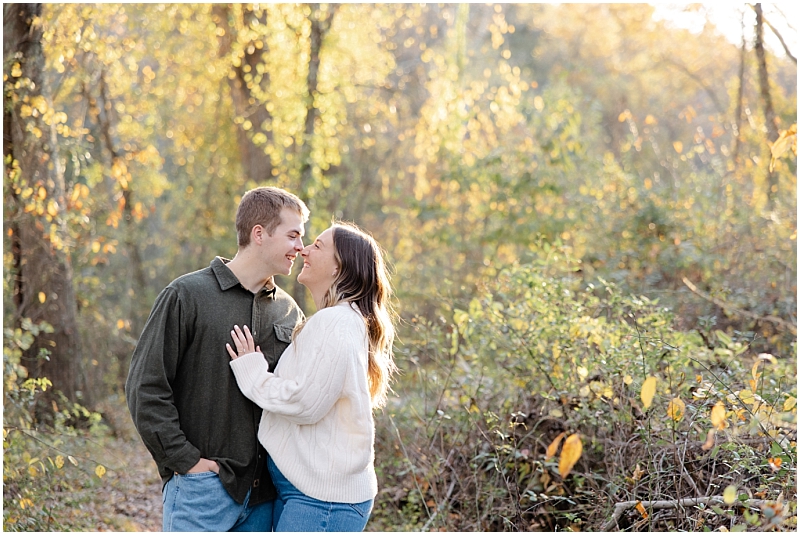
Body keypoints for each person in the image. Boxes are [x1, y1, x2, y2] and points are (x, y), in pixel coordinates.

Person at [126, 187, 309, 532]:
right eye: (293, 235)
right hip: (202, 492)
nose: (301, 247)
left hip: (265, 499)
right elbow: (145, 387)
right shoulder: (186, 295)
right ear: (259, 234)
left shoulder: (289, 312)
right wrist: (184, 460)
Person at [226, 222, 397, 532]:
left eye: (318, 246)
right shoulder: (339, 320)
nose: (304, 249)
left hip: (323, 501)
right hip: (309, 491)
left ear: (339, 267)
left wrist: (252, 373)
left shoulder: (337, 323)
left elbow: (306, 403)